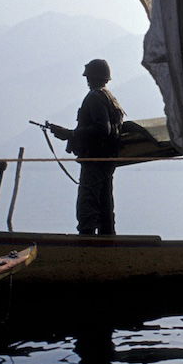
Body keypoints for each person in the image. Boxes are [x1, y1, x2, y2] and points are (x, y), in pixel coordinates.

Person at [48, 59, 125, 235]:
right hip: (106, 161)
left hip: (94, 161)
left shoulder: (94, 97)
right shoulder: (109, 98)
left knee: (87, 203)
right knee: (105, 203)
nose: (87, 80)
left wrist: (71, 134)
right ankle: (107, 242)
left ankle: (86, 242)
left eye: (88, 76)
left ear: (92, 77)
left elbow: (102, 128)